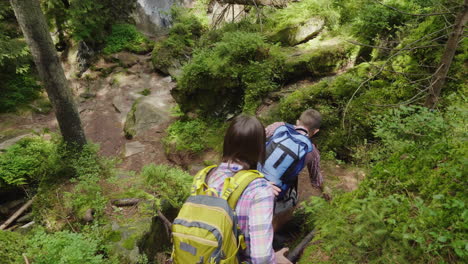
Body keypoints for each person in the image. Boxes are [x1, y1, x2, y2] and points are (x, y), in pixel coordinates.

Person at [205, 115, 292, 264]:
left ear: (227, 143)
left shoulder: (207, 175)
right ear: (260, 148)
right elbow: (262, 258)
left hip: (202, 255)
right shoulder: (260, 192)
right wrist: (275, 259)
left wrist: (255, 184)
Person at [259, 109, 324, 231]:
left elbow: (258, 137)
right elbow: (316, 181)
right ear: (315, 131)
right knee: (294, 198)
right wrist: (324, 191)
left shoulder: (278, 126)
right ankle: (272, 230)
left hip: (252, 177)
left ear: (298, 121)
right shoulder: (313, 152)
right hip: (273, 192)